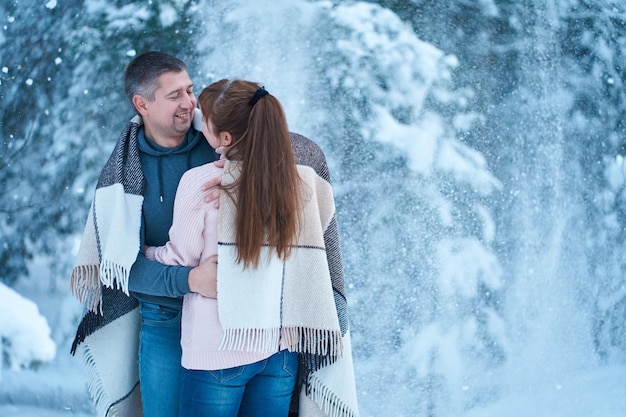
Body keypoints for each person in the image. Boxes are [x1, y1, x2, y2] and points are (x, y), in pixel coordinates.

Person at [147, 79, 360, 417]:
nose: (199, 126)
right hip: (280, 354)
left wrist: (146, 254)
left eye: (206, 121)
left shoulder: (201, 183)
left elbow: (179, 258)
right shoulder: (300, 184)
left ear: (225, 138)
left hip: (219, 349)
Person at [69, 51, 220, 417]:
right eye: (174, 96)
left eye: (190, 89)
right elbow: (124, 269)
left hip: (226, 315)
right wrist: (192, 279)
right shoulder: (122, 175)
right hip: (162, 318)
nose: (189, 103)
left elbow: (278, 153)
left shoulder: (220, 142)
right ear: (142, 104)